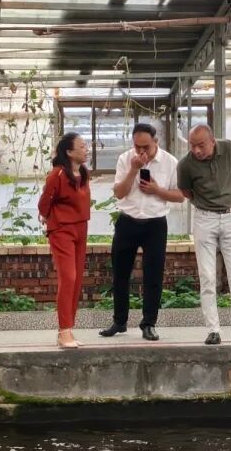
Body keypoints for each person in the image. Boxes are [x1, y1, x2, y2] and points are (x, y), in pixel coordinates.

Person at [176, 125, 231, 346]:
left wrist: (230, 197)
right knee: (207, 277)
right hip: (204, 218)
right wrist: (205, 203)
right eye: (192, 145)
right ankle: (213, 330)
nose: (196, 150)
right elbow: (186, 191)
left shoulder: (230, 149)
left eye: (201, 145)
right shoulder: (185, 164)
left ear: (212, 141)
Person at [99, 123, 184, 341]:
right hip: (128, 220)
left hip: (155, 223)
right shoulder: (125, 159)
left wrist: (157, 190)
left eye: (146, 146)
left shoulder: (170, 162)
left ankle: (149, 323)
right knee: (120, 272)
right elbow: (119, 193)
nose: (141, 151)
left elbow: (180, 196)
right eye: (137, 146)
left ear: (156, 142)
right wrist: (133, 169)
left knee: (153, 274)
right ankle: (119, 321)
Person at [38, 132, 91, 349]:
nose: (86, 149)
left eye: (86, 146)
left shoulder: (83, 173)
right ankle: (63, 330)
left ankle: (69, 328)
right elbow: (44, 204)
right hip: (62, 230)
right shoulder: (57, 174)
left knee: (77, 280)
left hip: (81, 228)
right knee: (68, 277)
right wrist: (50, 219)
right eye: (82, 146)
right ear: (69, 152)